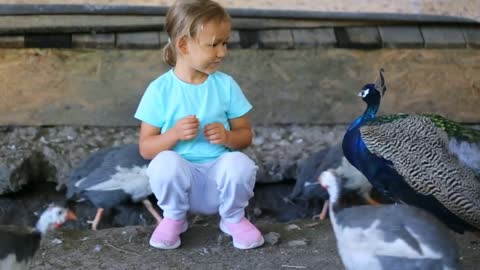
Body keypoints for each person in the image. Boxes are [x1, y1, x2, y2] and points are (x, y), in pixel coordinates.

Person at [134, 0, 264, 250]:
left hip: (219, 180)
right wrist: (172, 134)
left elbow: (246, 135)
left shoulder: (225, 85)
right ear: (183, 45)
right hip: (183, 185)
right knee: (163, 163)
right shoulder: (159, 90)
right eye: (214, 44)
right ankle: (174, 218)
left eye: (225, 43)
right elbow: (146, 149)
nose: (222, 52)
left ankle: (233, 218)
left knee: (240, 164)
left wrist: (227, 137)